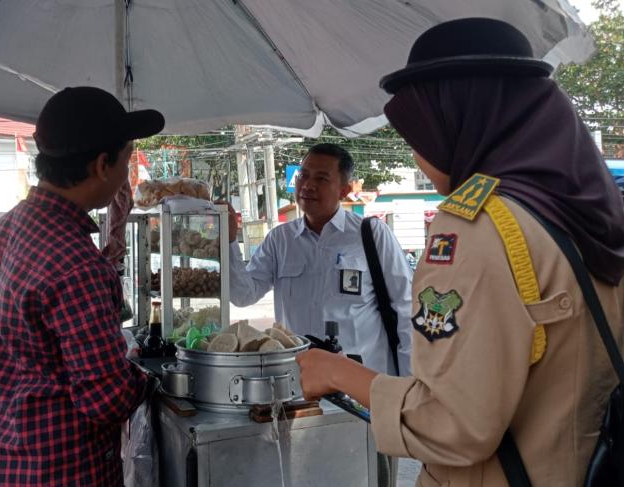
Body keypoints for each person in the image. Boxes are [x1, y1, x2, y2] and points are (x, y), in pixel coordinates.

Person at [296, 18, 624, 486]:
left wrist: (336, 372)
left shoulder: (479, 229)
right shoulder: (588, 214)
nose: (417, 157)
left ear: (458, 123)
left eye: (420, 137)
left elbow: (454, 424)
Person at [0, 86, 165, 486]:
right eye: (127, 163)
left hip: (7, 455)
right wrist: (151, 377)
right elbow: (106, 398)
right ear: (100, 165)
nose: (127, 177)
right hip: (65, 470)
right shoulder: (76, 263)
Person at [228, 143, 413, 375]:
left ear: (344, 190)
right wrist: (229, 243)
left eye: (322, 179)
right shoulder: (280, 240)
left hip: (365, 382)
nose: (307, 185)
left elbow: (407, 308)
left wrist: (409, 383)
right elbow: (243, 295)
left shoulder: (371, 234)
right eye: (303, 175)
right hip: (300, 380)